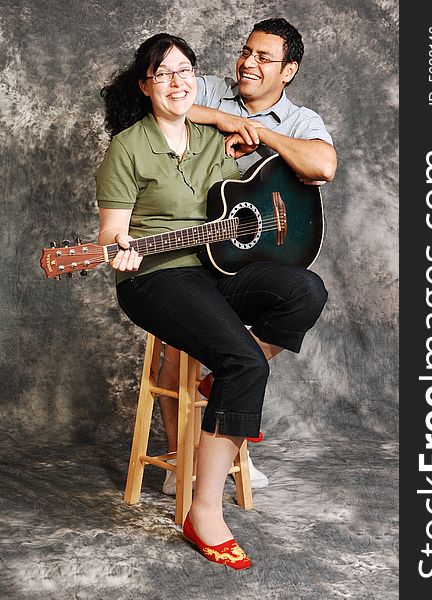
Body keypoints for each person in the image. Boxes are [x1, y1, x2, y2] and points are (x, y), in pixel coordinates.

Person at [97, 32, 330, 570]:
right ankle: (203, 515)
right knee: (243, 361)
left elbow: (247, 201)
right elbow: (112, 234)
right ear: (145, 85)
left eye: (185, 71)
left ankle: (227, 381)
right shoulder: (127, 147)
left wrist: (232, 131)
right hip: (155, 277)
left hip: (213, 269)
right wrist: (119, 252)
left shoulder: (211, 140)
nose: (177, 82)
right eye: (164, 74)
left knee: (305, 290)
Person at [158, 17, 336, 495]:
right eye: (246, 51)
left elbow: (323, 165)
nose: (248, 63)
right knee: (183, 338)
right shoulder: (213, 90)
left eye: (263, 58)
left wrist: (260, 133)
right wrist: (222, 118)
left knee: (306, 293)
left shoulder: (302, 121)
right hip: (187, 253)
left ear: (289, 70)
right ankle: (183, 462)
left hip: (244, 265)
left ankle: (223, 420)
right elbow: (160, 100)